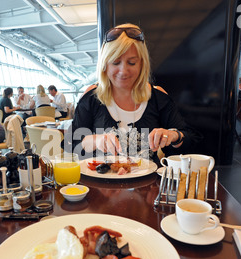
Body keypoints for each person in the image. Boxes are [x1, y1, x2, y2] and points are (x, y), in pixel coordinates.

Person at [71, 23, 201, 164]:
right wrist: (94, 140)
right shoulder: (92, 97)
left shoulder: (158, 97)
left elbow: (191, 138)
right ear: (104, 64)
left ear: (142, 64)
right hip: (102, 183)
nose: (123, 71)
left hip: (149, 184)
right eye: (115, 62)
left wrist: (174, 136)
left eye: (132, 63)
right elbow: (69, 144)